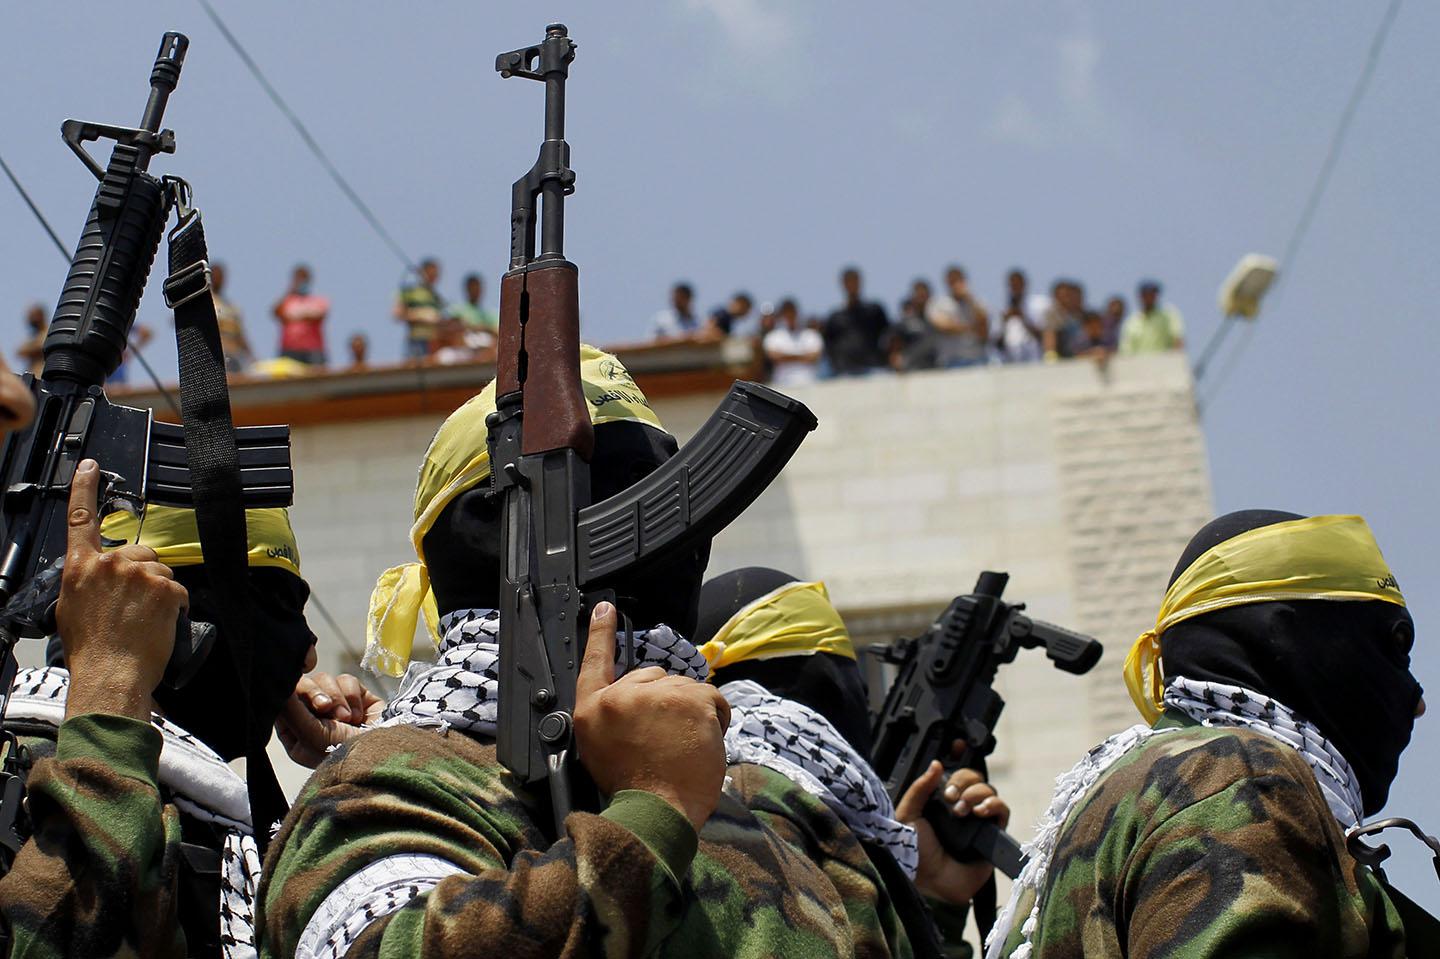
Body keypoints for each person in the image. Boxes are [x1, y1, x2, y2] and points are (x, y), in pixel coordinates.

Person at [258, 347, 881, 959]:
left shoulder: (746, 818)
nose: (689, 545)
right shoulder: (396, 783)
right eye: (642, 497)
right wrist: (652, 815)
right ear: (499, 532)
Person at [988, 511, 1427, 958]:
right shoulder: (1242, 778)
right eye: (1397, 644)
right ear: (1294, 637)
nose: (1418, 702)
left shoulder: (1131, 791)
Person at [0, 489, 319, 957]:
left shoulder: (217, 824)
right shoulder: (21, 770)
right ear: (167, 616)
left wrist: (363, 760)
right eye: (278, 607)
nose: (308, 656)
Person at [693, 567, 1012, 959]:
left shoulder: (747, 802)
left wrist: (932, 896)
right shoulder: (758, 805)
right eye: (850, 680)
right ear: (826, 683)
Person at [823, 266, 891, 375]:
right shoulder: (835, 318)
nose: (852, 285)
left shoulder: (874, 311)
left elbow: (888, 335)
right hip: (845, 372)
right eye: (849, 282)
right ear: (843, 284)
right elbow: (828, 346)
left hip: (873, 368)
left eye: (855, 281)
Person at [926, 266, 990, 368]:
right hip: (952, 361)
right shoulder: (938, 303)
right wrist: (970, 328)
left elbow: (984, 325)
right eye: (953, 281)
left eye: (959, 280)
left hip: (978, 359)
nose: (956, 284)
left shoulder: (976, 301)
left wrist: (970, 299)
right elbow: (943, 326)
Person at [272, 264, 330, 367]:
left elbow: (319, 316)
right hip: (289, 350)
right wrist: (289, 292)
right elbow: (275, 313)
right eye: (298, 278)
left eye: (304, 278)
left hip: (313, 350)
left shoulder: (318, 301)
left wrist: (294, 318)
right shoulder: (287, 301)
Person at [761, 298, 823, 387]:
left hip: (809, 383)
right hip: (782, 385)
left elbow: (814, 357)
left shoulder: (811, 335)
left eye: (792, 312)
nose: (790, 316)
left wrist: (785, 356)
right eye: (786, 313)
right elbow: (774, 357)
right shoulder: (773, 336)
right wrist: (803, 356)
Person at [393, 258, 445, 360]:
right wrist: (422, 316)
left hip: (434, 342)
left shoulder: (436, 297)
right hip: (416, 341)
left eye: (436, 274)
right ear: (423, 273)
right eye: (431, 273)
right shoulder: (410, 291)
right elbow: (397, 314)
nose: (433, 277)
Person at [1118, 279, 1184, 354]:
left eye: (1152, 294)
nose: (1149, 298)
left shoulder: (1168, 316)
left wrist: (1176, 359)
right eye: (1146, 294)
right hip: (1138, 364)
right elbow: (1125, 350)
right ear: (1140, 296)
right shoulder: (1131, 322)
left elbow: (1178, 340)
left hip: (1164, 363)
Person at [993, 269, 1044, 364]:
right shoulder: (1003, 310)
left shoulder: (1037, 305)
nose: (1015, 288)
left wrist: (1023, 318)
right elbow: (996, 344)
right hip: (1010, 362)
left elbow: (1042, 336)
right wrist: (1005, 322)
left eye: (1018, 284)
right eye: (1012, 285)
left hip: (1034, 361)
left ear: (1024, 284)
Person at [210, 262, 253, 374]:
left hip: (233, 356)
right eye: (215, 276)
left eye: (221, 276)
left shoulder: (231, 308)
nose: (219, 279)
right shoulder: (205, 304)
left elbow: (240, 335)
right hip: (215, 355)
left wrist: (251, 357)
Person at [1040, 279, 1084, 360]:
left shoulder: (1079, 315)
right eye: (1062, 296)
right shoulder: (1051, 315)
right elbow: (1049, 338)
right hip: (1062, 357)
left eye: (1068, 296)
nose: (1066, 299)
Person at [447, 272, 498, 339]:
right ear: (467, 289)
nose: (476, 291)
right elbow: (453, 326)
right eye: (473, 288)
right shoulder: (457, 310)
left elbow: (496, 330)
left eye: (478, 289)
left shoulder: (488, 315)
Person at [17, 303, 47, 377]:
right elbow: (21, 351)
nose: (31, 320)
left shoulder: (47, 332)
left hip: (41, 377)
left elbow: (41, 345)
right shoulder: (35, 336)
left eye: (33, 316)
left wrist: (33, 347)